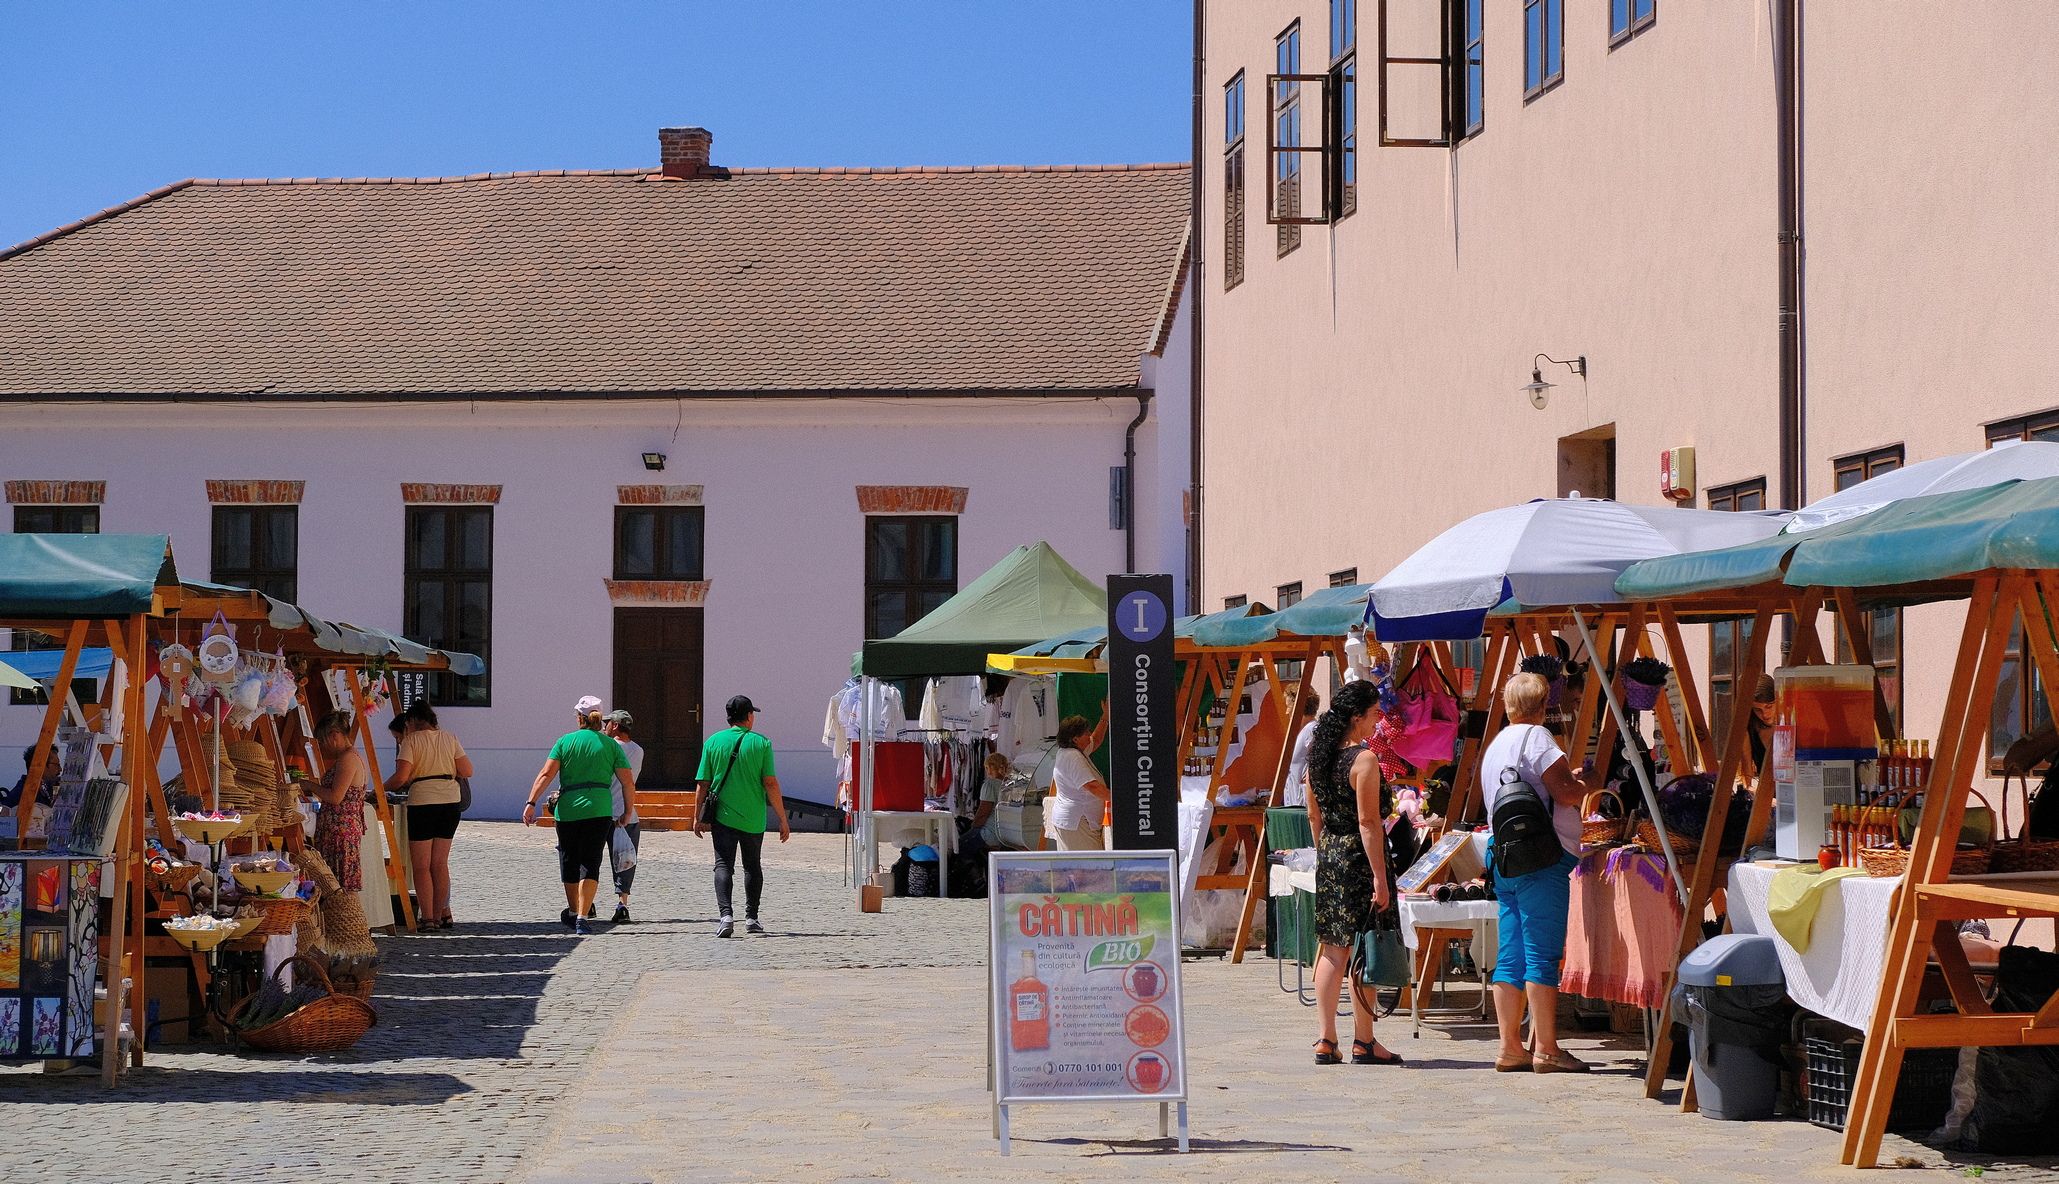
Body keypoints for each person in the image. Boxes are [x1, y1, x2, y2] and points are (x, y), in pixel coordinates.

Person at [1484, 671, 1600, 1073]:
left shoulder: (1496, 744)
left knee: (1510, 953)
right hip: (1542, 858)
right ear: (1544, 703)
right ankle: (1547, 1047)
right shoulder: (1537, 739)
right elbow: (1565, 792)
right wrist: (1585, 784)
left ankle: (1509, 1046)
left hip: (1505, 859)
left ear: (1507, 703)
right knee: (1541, 953)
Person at [1304, 678, 1406, 1067]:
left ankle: (1326, 1039)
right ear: (1357, 717)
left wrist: (1324, 849)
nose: (1378, 721)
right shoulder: (1363, 760)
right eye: (1375, 714)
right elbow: (1369, 822)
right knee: (1365, 945)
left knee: (1332, 949)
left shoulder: (1319, 757)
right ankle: (1364, 1040)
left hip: (1330, 852)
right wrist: (1380, 877)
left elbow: (1314, 814)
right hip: (1360, 858)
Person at [524, 697, 637, 935]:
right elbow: (627, 782)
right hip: (599, 810)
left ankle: (574, 910)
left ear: (579, 718)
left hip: (569, 810)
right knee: (591, 862)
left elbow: (546, 774)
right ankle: (583, 917)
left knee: (570, 860)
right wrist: (628, 811)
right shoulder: (610, 745)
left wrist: (531, 802)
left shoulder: (565, 742)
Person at [693, 695, 789, 938]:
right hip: (753, 817)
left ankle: (726, 915)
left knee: (723, 864)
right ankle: (752, 917)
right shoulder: (761, 743)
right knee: (752, 865)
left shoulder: (713, 742)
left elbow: (702, 784)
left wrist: (696, 816)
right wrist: (782, 818)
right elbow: (770, 783)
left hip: (722, 816)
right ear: (748, 716)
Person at [383, 700, 473, 931]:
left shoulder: (411, 741)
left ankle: (428, 918)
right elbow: (467, 771)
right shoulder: (450, 737)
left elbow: (401, 777)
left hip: (423, 801)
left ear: (412, 721)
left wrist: (380, 788)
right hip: (450, 802)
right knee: (440, 863)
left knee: (421, 865)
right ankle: (440, 914)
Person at [307, 714, 367, 893]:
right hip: (339, 830)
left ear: (334, 736)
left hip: (340, 832)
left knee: (338, 887)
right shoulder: (349, 757)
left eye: (323, 741)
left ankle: (343, 919)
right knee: (337, 887)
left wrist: (309, 785)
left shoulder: (348, 759)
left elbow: (335, 797)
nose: (323, 747)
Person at [601, 708, 643, 923]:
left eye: (607, 722)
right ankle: (622, 904)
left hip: (603, 812)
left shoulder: (607, 747)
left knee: (591, 859)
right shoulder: (638, 750)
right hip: (628, 813)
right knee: (625, 861)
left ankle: (586, 903)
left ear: (615, 726)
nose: (604, 726)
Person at [1048, 715, 1111, 851]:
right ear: (1075, 739)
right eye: (1086, 732)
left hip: (1074, 823)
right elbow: (1092, 786)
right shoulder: (1073, 756)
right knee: (1089, 868)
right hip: (1077, 824)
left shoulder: (1072, 752)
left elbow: (1096, 739)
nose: (1089, 735)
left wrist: (1105, 717)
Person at [969, 751, 1039, 852]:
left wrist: (972, 827)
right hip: (1007, 835)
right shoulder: (1012, 785)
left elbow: (983, 813)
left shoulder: (990, 785)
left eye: (987, 767)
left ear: (991, 768)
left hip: (989, 832)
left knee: (959, 848)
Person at [1284, 690, 1321, 807]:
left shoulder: (1312, 730)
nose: (1286, 712)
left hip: (1304, 803)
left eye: (1288, 706)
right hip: (1296, 800)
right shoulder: (1303, 731)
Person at [1743, 674, 1778, 783]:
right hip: (1767, 795)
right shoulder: (1749, 730)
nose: (1765, 714)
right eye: (1757, 710)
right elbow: (1747, 777)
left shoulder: (1793, 723)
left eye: (1769, 706)